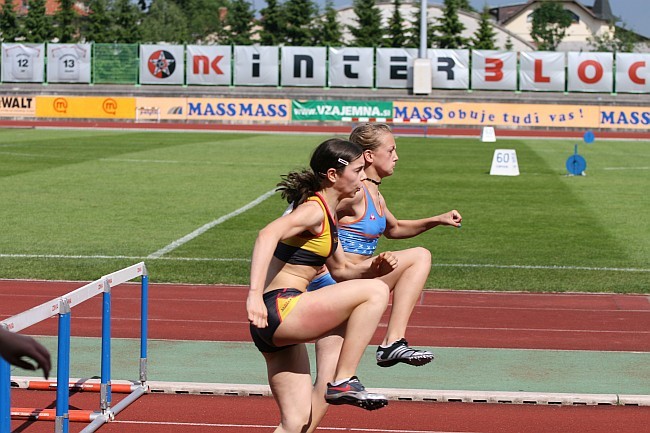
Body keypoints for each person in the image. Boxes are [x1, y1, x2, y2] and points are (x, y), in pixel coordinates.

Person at [307, 123, 462, 431]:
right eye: (390, 150)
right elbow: (315, 217)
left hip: (356, 286)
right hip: (338, 285)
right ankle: (392, 343)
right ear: (368, 155)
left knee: (326, 388)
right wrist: (322, 267)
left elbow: (394, 229)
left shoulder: (374, 192)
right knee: (419, 256)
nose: (397, 157)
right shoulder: (353, 193)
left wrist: (437, 220)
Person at [246, 138, 399, 433]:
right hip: (279, 307)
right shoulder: (314, 209)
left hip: (275, 326)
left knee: (297, 423)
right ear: (333, 175)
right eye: (357, 171)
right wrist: (253, 295)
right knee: (377, 291)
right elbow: (267, 234)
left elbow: (342, 270)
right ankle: (343, 381)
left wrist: (373, 266)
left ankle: (341, 382)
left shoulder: (329, 217)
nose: (363, 177)